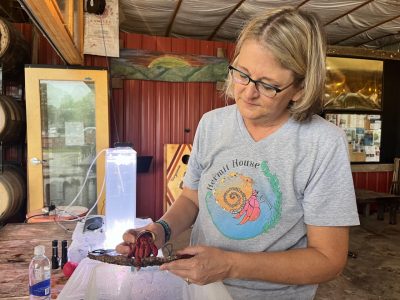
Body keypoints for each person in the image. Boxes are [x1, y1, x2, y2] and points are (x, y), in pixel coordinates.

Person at [116, 7, 360, 300]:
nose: (247, 93)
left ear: (300, 88)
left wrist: (230, 265)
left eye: (268, 85)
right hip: (201, 290)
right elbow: (192, 198)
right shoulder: (212, 123)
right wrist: (159, 231)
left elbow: (328, 259)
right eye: (241, 74)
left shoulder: (322, 142)